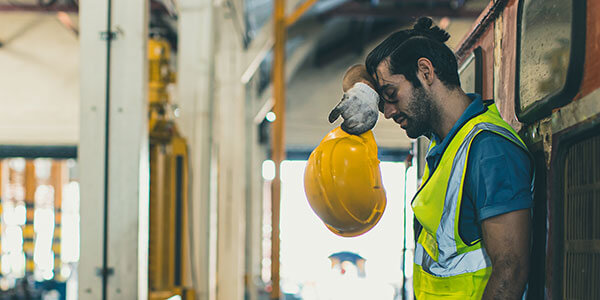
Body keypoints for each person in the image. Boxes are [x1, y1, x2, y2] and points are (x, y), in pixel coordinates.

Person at [328, 17, 534, 300]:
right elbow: (356, 72)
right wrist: (362, 90)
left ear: (425, 72)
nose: (387, 112)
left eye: (390, 94)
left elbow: (511, 270)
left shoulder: (489, 150)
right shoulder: (448, 145)